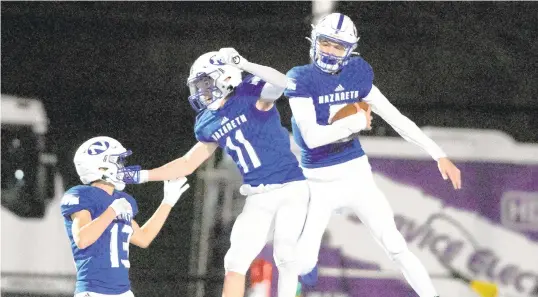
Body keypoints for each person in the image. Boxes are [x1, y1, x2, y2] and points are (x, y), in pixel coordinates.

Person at [282, 13, 462, 297]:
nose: (330, 51)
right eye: (326, 43)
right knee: (301, 262)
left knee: (395, 245)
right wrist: (355, 122)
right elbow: (313, 139)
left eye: (338, 46)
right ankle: (305, 269)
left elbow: (396, 118)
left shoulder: (357, 74)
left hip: (355, 173)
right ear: (315, 41)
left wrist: (438, 153)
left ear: (350, 50)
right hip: (318, 181)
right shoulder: (301, 79)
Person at [126, 49, 309, 297]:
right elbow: (187, 163)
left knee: (285, 255)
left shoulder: (249, 92)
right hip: (257, 194)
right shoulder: (207, 122)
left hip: (291, 187)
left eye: (205, 82)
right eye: (198, 85)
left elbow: (282, 82)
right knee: (234, 262)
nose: (200, 91)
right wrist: (143, 176)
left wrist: (244, 63)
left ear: (225, 77)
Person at [60, 136, 190, 297]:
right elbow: (83, 239)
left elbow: (143, 238)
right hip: (93, 291)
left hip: (123, 292)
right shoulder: (81, 194)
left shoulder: (121, 200)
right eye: (118, 161)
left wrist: (167, 202)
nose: (122, 167)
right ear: (101, 166)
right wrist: (111, 212)